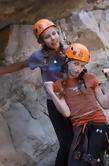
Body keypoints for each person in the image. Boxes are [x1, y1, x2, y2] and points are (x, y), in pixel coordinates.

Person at [0, 18, 73, 166]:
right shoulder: (38, 57)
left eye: (54, 33)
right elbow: (21, 65)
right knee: (66, 144)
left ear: (58, 32)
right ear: (42, 41)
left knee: (77, 140)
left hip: (73, 100)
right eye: (47, 36)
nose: (52, 38)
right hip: (54, 103)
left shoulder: (69, 50)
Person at [44, 43, 109, 166]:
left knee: (90, 158)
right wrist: (51, 92)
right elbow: (66, 113)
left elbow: (105, 104)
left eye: (82, 65)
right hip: (79, 128)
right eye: (75, 64)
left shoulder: (90, 78)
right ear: (67, 61)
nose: (78, 69)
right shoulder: (59, 84)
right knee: (75, 163)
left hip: (98, 123)